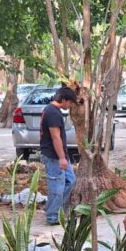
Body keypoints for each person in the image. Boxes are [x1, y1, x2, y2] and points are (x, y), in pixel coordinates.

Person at [40, 86, 77, 226]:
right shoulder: (53, 113)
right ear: (63, 100)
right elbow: (56, 138)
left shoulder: (52, 111)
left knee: (70, 181)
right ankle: (53, 216)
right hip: (54, 156)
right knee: (57, 186)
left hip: (61, 156)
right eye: (69, 102)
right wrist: (61, 158)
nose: (70, 105)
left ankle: (55, 209)